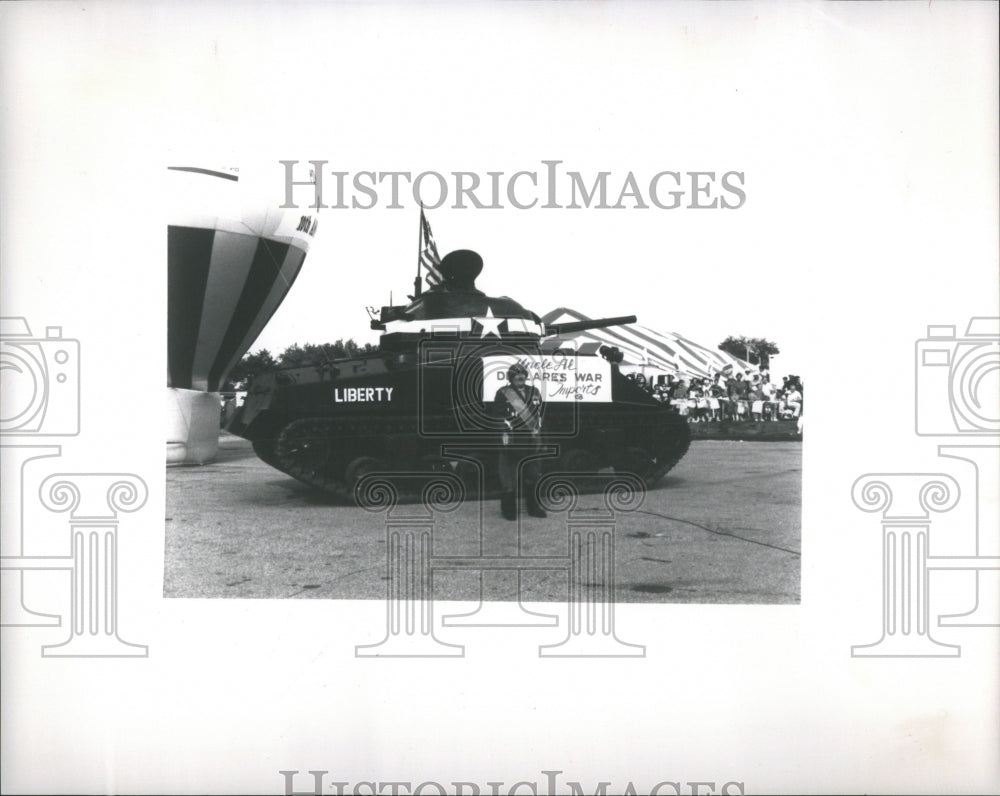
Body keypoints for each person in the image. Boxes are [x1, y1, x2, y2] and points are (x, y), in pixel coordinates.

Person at [493, 362, 546, 520]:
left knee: (533, 475)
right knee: (508, 478)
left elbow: (540, 414)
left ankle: (533, 508)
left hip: (531, 440)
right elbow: (497, 416)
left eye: (522, 373)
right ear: (511, 377)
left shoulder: (534, 392)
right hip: (513, 439)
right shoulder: (503, 393)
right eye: (516, 374)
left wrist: (540, 436)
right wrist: (504, 434)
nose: (520, 376)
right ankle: (508, 511)